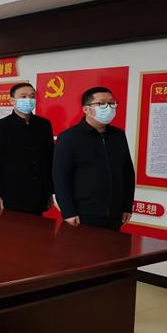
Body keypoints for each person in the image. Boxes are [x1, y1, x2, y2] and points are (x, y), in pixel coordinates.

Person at [53, 86, 134, 231]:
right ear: (86, 109)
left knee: (113, 245)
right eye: (102, 103)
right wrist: (68, 211)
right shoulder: (69, 137)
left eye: (111, 103)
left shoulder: (118, 135)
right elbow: (61, 177)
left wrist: (127, 206)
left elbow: (127, 172)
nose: (108, 107)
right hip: (83, 213)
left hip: (115, 212)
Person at [0, 82, 54, 215]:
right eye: (23, 96)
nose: (28, 100)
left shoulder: (44, 125)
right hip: (12, 193)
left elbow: (50, 158)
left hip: (39, 192)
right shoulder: (0, 126)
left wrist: (50, 191)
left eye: (32, 96)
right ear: (12, 101)